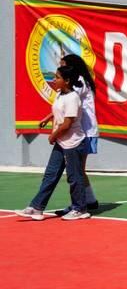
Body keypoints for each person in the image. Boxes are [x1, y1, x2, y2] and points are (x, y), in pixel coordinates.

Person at [18, 65, 91, 221]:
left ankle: (80, 209)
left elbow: (67, 124)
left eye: (57, 77)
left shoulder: (73, 97)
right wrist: (48, 118)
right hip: (61, 141)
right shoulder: (60, 94)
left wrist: (53, 136)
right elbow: (58, 110)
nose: (53, 80)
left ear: (67, 81)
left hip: (74, 143)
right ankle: (37, 207)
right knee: (50, 175)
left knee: (74, 177)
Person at [46, 54, 99, 214]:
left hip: (86, 131)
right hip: (79, 131)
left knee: (77, 170)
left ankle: (80, 205)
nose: (61, 69)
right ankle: (88, 201)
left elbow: (68, 98)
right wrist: (49, 117)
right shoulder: (79, 81)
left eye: (63, 65)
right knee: (78, 170)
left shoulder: (79, 82)